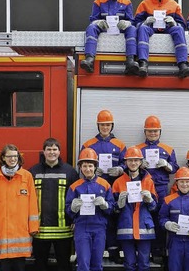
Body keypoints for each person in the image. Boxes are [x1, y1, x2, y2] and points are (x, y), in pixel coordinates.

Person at [0, 144, 39, 271]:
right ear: (3, 158)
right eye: (9, 156)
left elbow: (33, 204)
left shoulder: (26, 176)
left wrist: (34, 227)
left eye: (15, 156)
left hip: (20, 237)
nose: (13, 159)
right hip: (0, 236)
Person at [80, 109, 126, 264]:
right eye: (102, 125)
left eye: (107, 125)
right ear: (98, 126)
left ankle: (113, 251)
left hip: (113, 186)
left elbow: (127, 163)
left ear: (111, 126)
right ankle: (93, 252)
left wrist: (120, 169)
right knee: (96, 217)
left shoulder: (119, 145)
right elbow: (82, 162)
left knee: (113, 218)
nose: (105, 127)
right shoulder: (88, 144)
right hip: (93, 185)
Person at [29, 138, 78, 271]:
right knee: (40, 264)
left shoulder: (70, 172)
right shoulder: (33, 171)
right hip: (40, 230)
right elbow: (27, 199)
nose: (52, 152)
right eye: (49, 149)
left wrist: (75, 218)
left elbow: (77, 197)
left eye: (54, 149)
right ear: (43, 152)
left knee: (64, 265)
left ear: (59, 152)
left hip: (64, 229)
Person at [79, 0, 139, 74]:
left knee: (132, 29)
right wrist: (98, 23)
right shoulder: (98, 1)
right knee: (91, 28)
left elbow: (132, 21)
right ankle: (89, 59)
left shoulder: (127, 2)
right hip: (104, 31)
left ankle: (130, 60)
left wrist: (127, 23)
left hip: (120, 31)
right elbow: (93, 20)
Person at [136, 115, 179, 262]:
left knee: (160, 218)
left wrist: (167, 166)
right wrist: (139, 165)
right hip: (143, 187)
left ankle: (158, 250)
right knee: (142, 218)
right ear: (145, 132)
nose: (152, 134)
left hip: (161, 188)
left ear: (160, 132)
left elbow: (175, 169)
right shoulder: (138, 149)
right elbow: (131, 165)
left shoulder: (168, 149)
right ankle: (143, 251)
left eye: (155, 131)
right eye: (149, 131)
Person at [65, 148, 115, 271]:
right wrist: (73, 208)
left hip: (99, 228)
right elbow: (68, 210)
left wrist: (105, 205)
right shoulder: (74, 186)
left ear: (95, 167)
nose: (88, 169)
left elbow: (112, 207)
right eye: (84, 166)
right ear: (80, 167)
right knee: (83, 264)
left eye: (90, 166)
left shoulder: (105, 184)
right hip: (82, 228)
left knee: (97, 264)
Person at [134, 0, 189, 78]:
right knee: (142, 28)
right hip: (151, 29)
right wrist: (145, 22)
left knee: (178, 29)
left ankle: (183, 65)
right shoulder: (144, 4)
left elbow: (183, 25)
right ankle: (143, 63)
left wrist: (174, 23)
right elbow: (135, 23)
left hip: (168, 29)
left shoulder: (174, 5)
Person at [112, 146, 158, 271]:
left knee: (144, 264)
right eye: (130, 160)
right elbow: (113, 210)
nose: (133, 163)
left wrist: (150, 200)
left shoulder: (148, 181)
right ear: (125, 162)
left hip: (144, 228)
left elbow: (154, 208)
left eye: (136, 160)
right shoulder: (118, 182)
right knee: (129, 264)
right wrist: (118, 204)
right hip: (126, 228)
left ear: (141, 162)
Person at [159, 167, 189, 271]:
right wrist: (167, 224)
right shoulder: (168, 200)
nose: (184, 184)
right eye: (181, 181)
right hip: (175, 243)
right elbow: (162, 217)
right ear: (176, 183)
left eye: (187, 181)